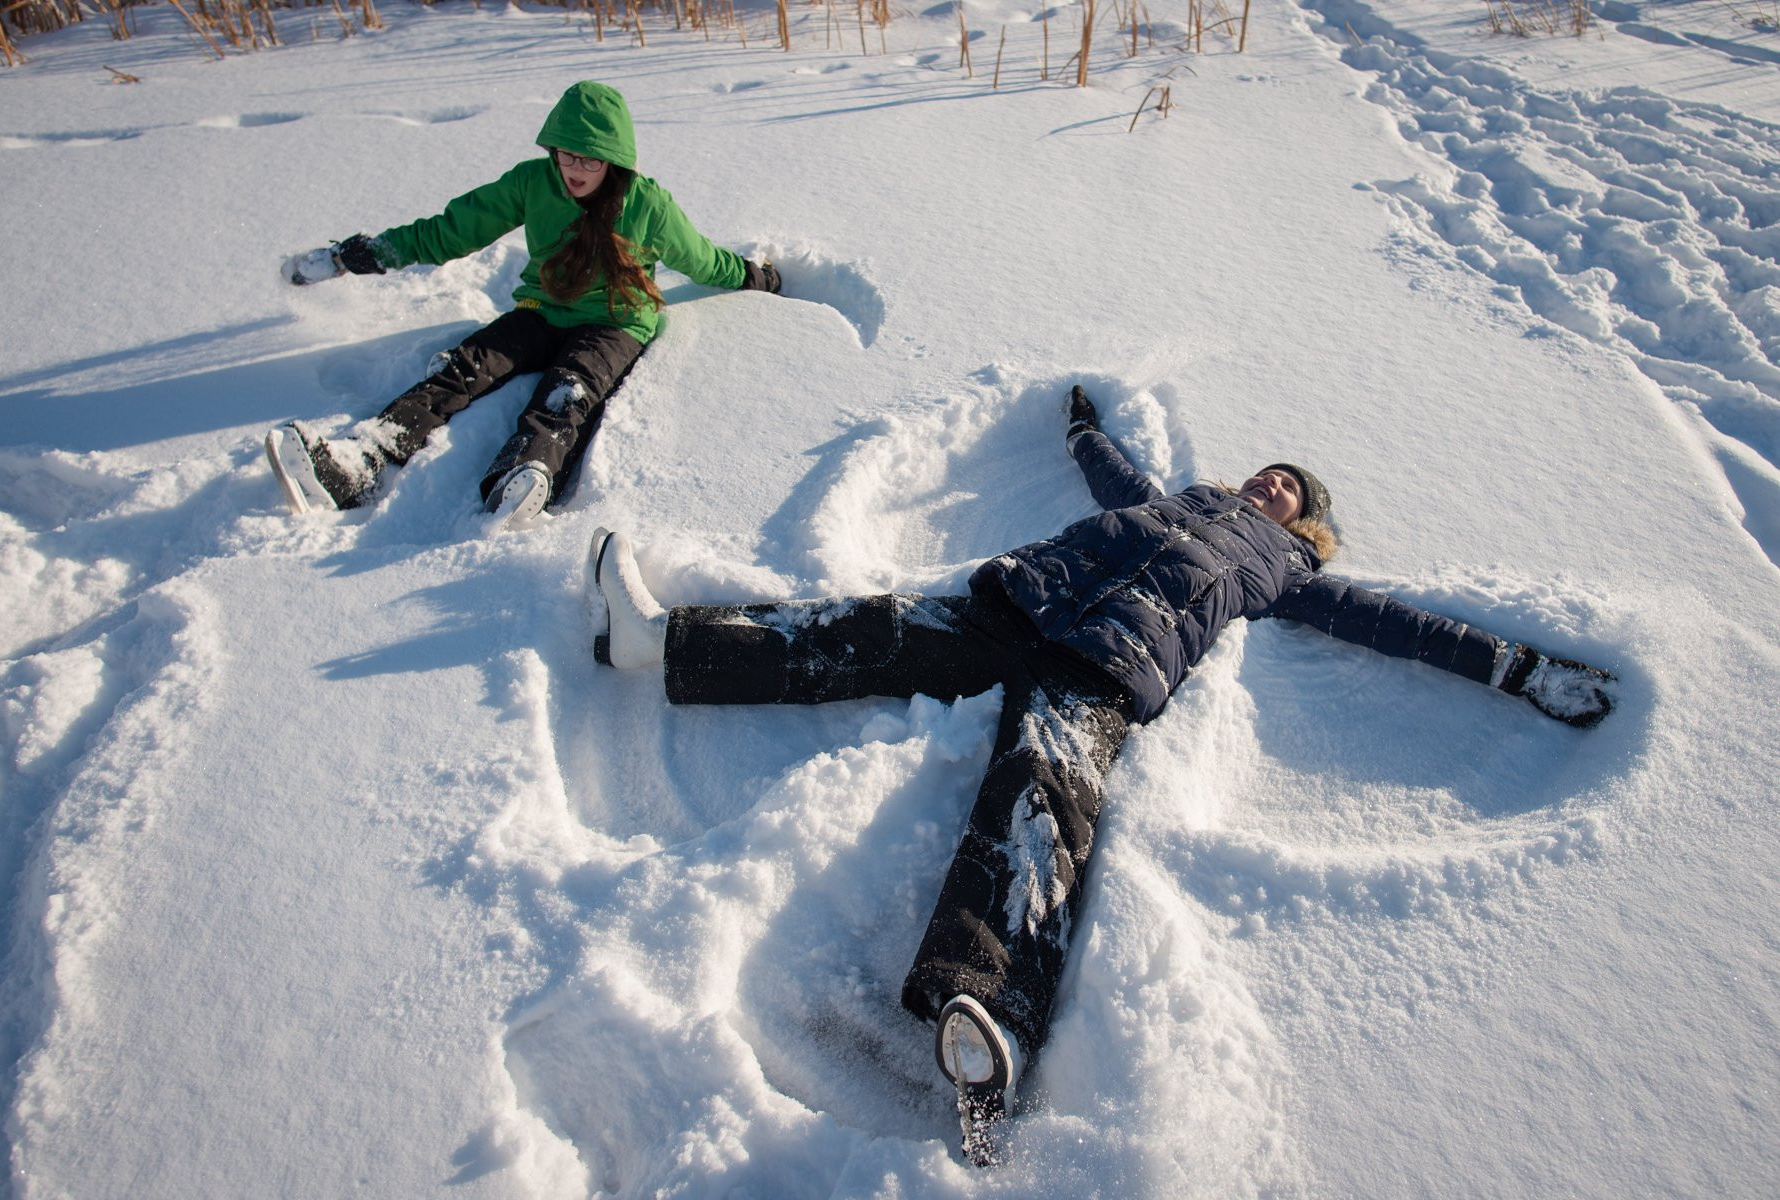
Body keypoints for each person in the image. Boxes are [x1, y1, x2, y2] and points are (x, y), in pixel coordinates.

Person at [586, 385, 1616, 1165]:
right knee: (864, 632)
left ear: (1305, 522)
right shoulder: (1175, 499)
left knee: (1043, 804)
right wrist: (1082, 430)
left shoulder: (1285, 571)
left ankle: (990, 1024)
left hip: (1106, 667)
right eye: (1266, 474)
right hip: (1015, 604)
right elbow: (1111, 478)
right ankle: (661, 645)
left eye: (1288, 490)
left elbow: (1396, 625)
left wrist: (1516, 666)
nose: (1269, 485)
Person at [265, 80, 783, 528]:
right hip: (541, 311)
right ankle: (361, 464)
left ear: (616, 159)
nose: (575, 169)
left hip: (616, 323)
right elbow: (451, 231)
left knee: (566, 392)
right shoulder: (532, 183)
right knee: (462, 369)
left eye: (590, 158)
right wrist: (362, 256)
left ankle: (528, 475)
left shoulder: (648, 204)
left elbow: (700, 259)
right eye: (566, 154)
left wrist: (752, 275)